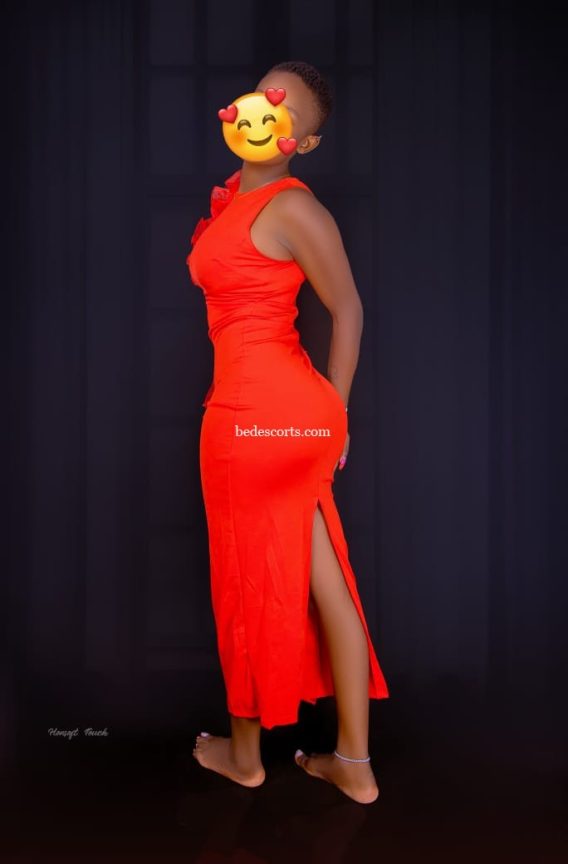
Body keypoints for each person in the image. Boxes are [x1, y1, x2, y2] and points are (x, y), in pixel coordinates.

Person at [187, 60, 389, 805]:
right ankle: (354, 766)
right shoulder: (239, 200)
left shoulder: (293, 205)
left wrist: (335, 413)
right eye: (259, 97)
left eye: (285, 111)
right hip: (278, 413)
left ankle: (245, 756)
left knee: (246, 585)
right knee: (326, 584)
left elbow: (349, 309)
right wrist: (325, 416)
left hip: (256, 418)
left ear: (303, 143)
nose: (261, 112)